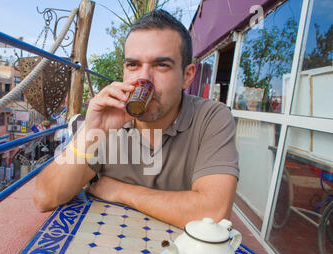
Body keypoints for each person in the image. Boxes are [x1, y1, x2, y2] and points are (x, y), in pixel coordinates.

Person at [34, 10, 239, 229]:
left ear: (187, 76)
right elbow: (45, 198)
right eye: (133, 65)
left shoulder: (211, 117)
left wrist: (120, 191)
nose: (143, 78)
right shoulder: (108, 118)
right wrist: (90, 132)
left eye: (161, 65)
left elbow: (214, 214)